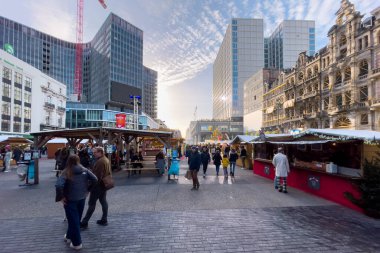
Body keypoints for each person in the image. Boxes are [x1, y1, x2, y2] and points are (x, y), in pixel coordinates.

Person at [55, 154, 98, 250]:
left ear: (68, 161)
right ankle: (69, 236)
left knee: (73, 220)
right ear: (78, 160)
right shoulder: (84, 170)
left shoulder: (66, 172)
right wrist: (88, 190)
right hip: (81, 198)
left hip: (70, 200)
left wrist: (61, 197)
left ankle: (77, 243)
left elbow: (58, 185)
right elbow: (95, 179)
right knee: (75, 219)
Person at [81, 147, 112, 228]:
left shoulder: (100, 161)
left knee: (91, 204)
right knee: (103, 201)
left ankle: (84, 222)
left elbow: (96, 177)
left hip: (98, 186)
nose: (93, 154)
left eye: (95, 152)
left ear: (100, 152)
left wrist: (89, 188)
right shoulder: (105, 159)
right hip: (103, 185)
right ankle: (104, 219)